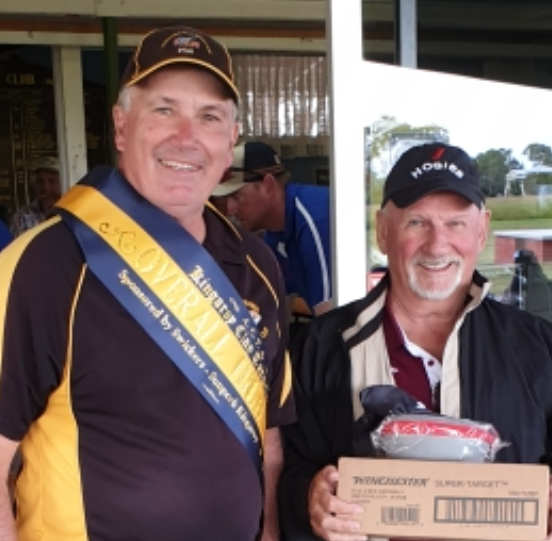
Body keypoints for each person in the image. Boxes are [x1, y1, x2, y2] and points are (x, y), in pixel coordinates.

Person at [0, 25, 294, 541]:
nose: (186, 137)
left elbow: (267, 439)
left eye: (209, 117)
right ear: (120, 126)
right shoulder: (45, 264)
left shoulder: (258, 267)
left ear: (230, 140)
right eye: (164, 110)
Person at [278, 143, 552, 541]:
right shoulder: (319, 348)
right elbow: (284, 474)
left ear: (482, 230)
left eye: (456, 223)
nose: (438, 244)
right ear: (384, 231)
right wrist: (309, 499)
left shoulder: (538, 348)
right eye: (417, 223)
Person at [212, 141, 332, 316]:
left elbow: (332, 317)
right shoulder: (274, 234)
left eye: (236, 197)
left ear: (268, 186)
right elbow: (274, 305)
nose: (230, 209)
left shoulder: (313, 221)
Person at [10, 156, 61, 237]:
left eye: (52, 181)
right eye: (40, 181)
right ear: (34, 185)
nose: (45, 187)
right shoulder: (22, 218)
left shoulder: (73, 213)